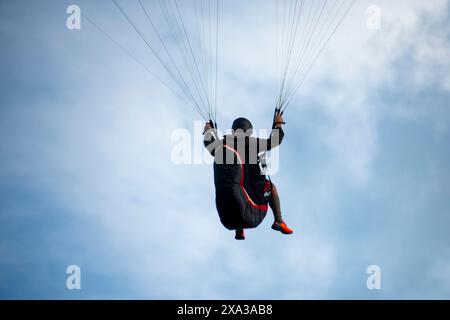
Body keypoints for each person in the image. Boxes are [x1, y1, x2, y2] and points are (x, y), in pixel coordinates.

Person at [203, 114, 293, 240]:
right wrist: (278, 124)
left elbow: (209, 144)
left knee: (237, 187)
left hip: (229, 208)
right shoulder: (253, 142)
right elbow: (274, 141)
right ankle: (278, 220)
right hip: (252, 195)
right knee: (270, 187)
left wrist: (208, 131)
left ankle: (239, 230)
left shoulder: (223, 143)